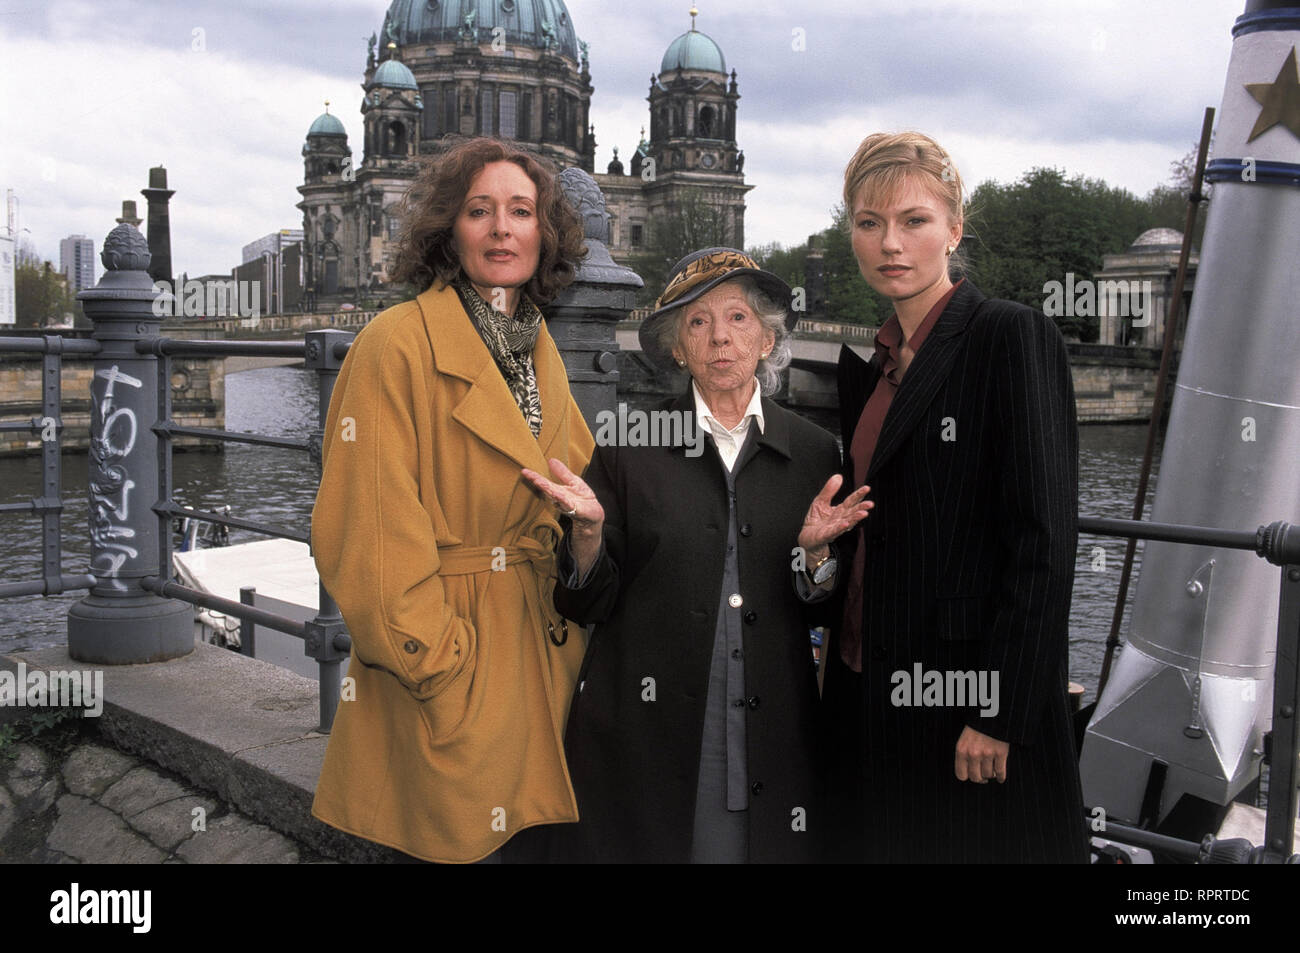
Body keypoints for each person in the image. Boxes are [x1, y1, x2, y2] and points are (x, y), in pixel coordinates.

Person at [523, 248, 872, 862]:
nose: (720, 339)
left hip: (771, 729)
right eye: (697, 322)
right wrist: (585, 535)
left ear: (767, 339)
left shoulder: (817, 453)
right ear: (678, 349)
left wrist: (815, 558)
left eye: (738, 318)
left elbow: (823, 611)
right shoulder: (630, 442)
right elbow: (585, 601)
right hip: (649, 729)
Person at [309, 137, 592, 864]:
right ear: (448, 228)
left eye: (522, 211)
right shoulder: (394, 345)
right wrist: (441, 666)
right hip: (447, 680)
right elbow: (364, 542)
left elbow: (575, 483)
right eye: (480, 210)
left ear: (544, 232)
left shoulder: (536, 347)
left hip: (540, 670)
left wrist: (590, 535)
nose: (503, 228)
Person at [823, 131, 1088, 863]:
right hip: (869, 691)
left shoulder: (1008, 335)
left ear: (954, 230)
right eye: (869, 224)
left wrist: (999, 710)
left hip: (961, 704)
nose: (890, 243)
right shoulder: (879, 367)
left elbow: (1043, 541)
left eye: (914, 221)